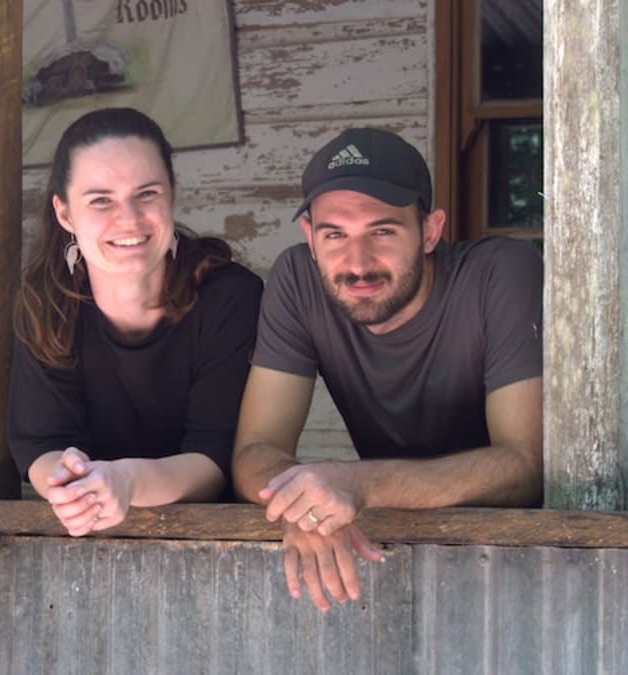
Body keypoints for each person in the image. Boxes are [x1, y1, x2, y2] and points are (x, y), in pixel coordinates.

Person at [232, 127, 543, 611]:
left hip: (525, 565)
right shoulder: (297, 281)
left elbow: (525, 466)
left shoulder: (502, 273)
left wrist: (357, 485)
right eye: (335, 234)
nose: (358, 264)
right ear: (311, 239)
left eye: (382, 231)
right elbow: (255, 451)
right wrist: (302, 502)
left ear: (430, 231)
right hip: (391, 568)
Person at [9, 107, 263, 537]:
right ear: (65, 213)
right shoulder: (45, 302)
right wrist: (69, 485)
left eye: (146, 194)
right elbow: (41, 444)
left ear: (172, 194)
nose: (127, 218)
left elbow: (215, 458)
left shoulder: (230, 297)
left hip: (215, 545)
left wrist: (125, 483)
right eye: (101, 200)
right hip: (83, 545)